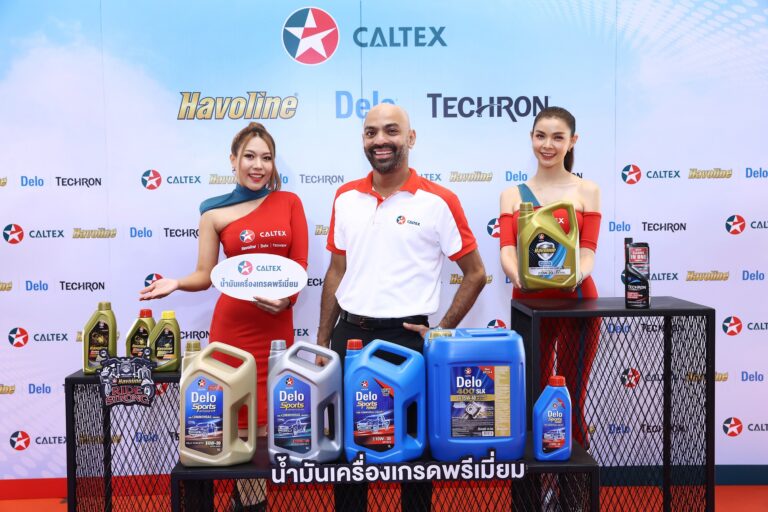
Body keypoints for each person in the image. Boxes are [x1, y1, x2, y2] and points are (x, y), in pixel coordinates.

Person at [318, 103, 486, 512]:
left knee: (414, 457)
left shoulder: (439, 201)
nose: (380, 140)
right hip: (350, 339)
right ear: (363, 139)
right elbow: (336, 271)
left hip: (407, 340)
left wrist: (442, 329)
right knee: (351, 458)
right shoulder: (345, 197)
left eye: (391, 131)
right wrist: (322, 341)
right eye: (371, 132)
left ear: (411, 138)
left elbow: (476, 273)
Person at [139, 122, 308, 438]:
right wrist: (176, 283)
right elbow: (205, 275)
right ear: (233, 160)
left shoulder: (290, 203)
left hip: (275, 328)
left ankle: (259, 473)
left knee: (270, 422)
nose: (258, 166)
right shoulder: (213, 213)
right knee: (233, 422)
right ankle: (238, 473)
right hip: (233, 329)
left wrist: (288, 300)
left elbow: (299, 265)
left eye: (267, 158)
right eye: (249, 156)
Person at [499, 106, 601, 449]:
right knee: (533, 396)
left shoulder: (587, 190)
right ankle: (536, 477)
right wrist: (520, 278)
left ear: (572, 141)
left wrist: (573, 276)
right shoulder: (512, 194)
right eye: (541, 136)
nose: (548, 145)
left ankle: (572, 480)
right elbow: (507, 251)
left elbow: (588, 252)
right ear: (531, 138)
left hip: (578, 303)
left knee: (571, 396)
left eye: (558, 137)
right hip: (528, 305)